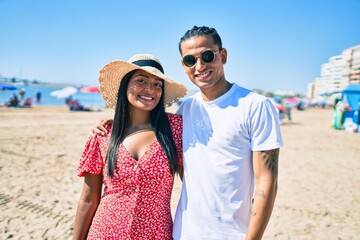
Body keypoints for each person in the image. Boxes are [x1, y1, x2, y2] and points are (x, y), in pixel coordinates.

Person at [92, 26, 283, 239]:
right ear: (184, 66)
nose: (200, 66)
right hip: (184, 232)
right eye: (190, 60)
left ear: (223, 55)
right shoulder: (185, 111)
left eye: (207, 56)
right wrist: (115, 124)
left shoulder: (255, 106)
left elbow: (267, 181)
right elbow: (150, 128)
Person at [73, 54, 187, 239]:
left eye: (157, 84)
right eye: (140, 80)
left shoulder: (175, 129)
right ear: (124, 85)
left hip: (155, 235)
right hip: (104, 233)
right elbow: (88, 199)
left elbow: (193, 184)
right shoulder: (104, 134)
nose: (150, 89)